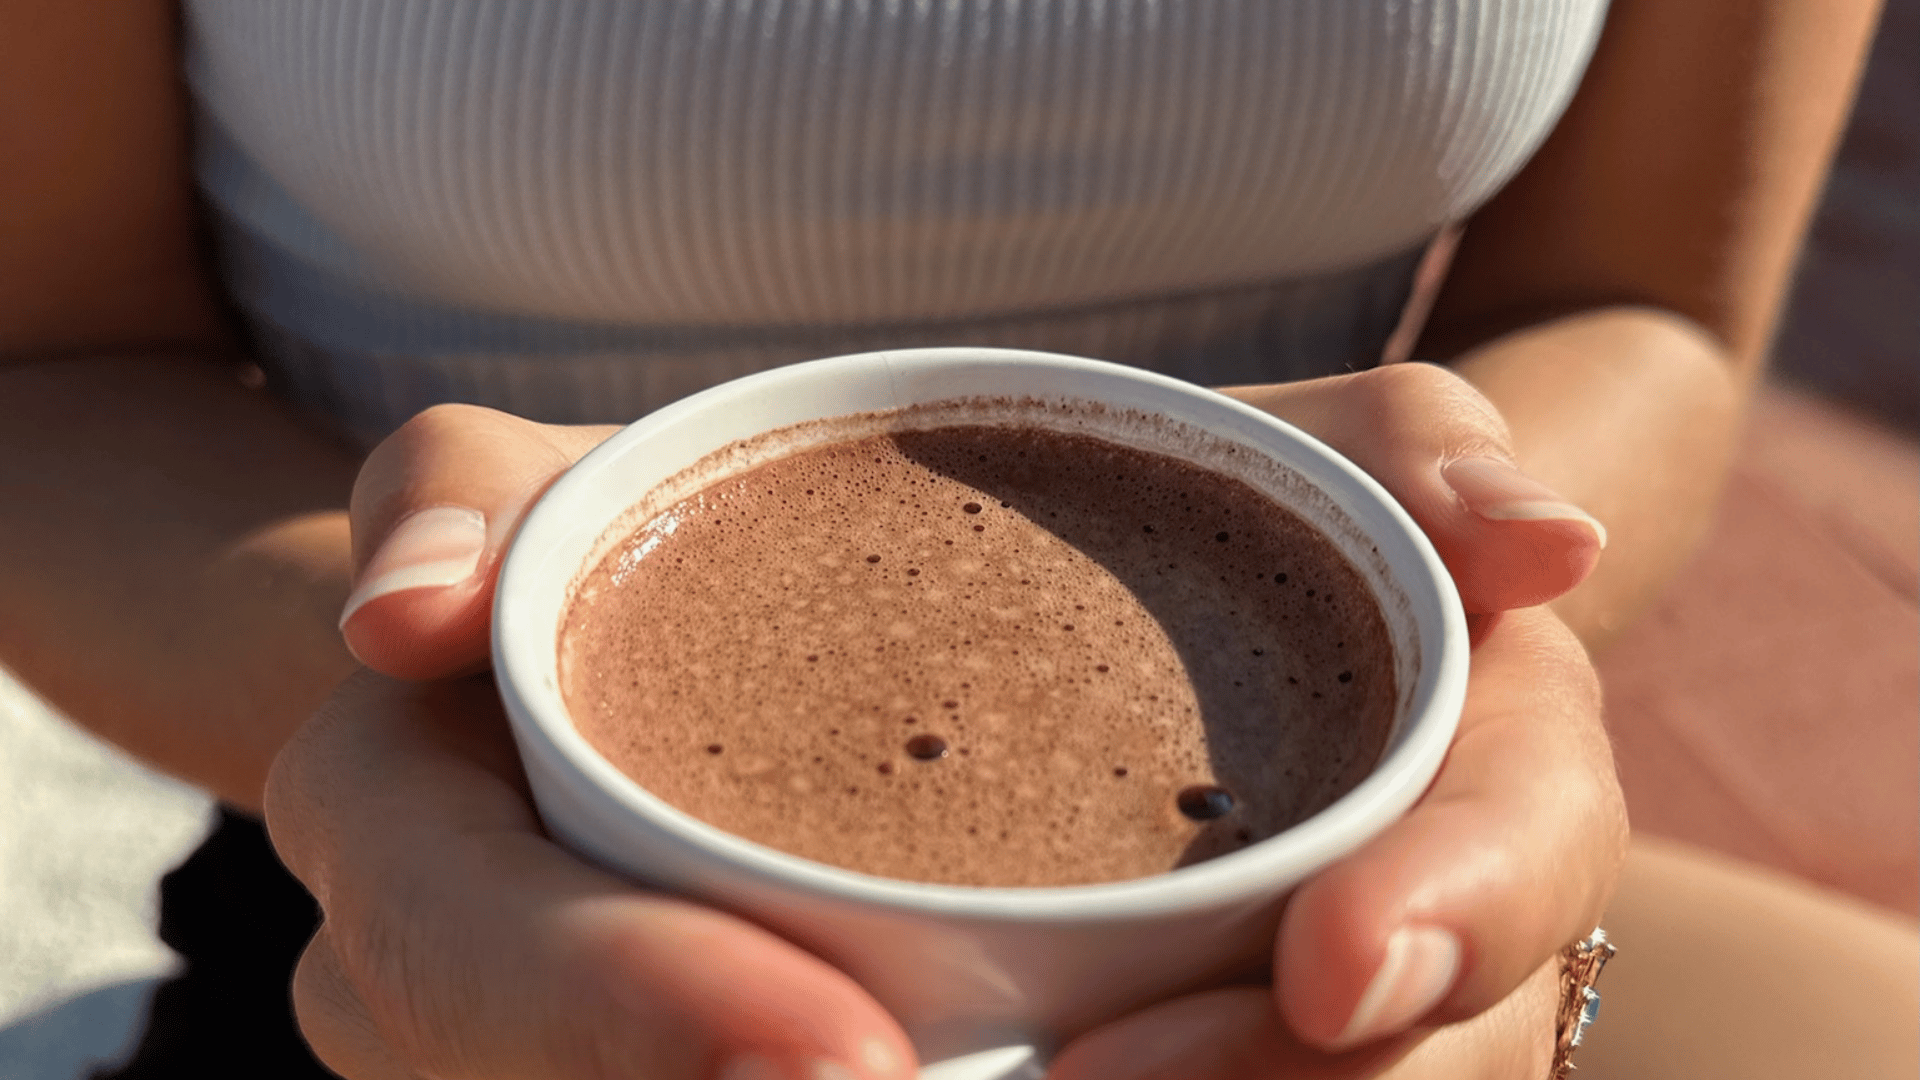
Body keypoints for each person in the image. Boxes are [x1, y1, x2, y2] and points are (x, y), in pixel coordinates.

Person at [0, 1, 1909, 1078]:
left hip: (1293, 904)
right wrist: (464, 705)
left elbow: (1642, 301)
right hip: (412, 874)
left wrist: (1459, 647)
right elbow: (54, 363)